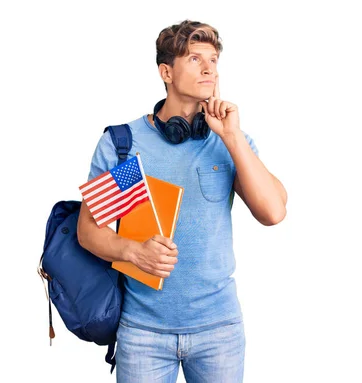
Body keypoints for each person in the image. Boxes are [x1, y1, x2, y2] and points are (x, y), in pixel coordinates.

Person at [77, 19, 287, 383]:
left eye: (213, 60)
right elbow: (88, 232)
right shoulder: (127, 146)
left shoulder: (228, 140)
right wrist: (132, 251)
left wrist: (233, 138)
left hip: (219, 330)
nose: (209, 68)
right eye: (194, 59)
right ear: (166, 71)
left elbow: (273, 211)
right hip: (143, 333)